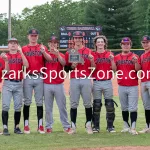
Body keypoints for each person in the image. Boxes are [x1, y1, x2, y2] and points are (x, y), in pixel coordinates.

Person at [64, 31, 95, 134]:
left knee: (87, 103)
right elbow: (66, 69)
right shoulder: (70, 52)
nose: (77, 39)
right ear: (73, 39)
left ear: (82, 39)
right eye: (76, 38)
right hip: (74, 79)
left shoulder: (88, 51)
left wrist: (91, 60)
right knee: (73, 103)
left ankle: (88, 125)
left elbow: (92, 69)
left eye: (79, 38)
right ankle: (73, 126)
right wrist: (72, 66)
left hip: (86, 78)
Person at [22, 29, 51, 134]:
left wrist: (44, 52)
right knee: (27, 101)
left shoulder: (42, 47)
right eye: (31, 35)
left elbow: (50, 59)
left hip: (39, 76)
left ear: (37, 37)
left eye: (35, 35)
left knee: (39, 102)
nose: (33, 37)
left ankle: (40, 125)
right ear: (28, 36)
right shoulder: (24, 48)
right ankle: (26, 125)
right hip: (28, 77)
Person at [113, 37, 141, 135]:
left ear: (130, 45)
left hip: (133, 85)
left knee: (133, 108)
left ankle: (133, 128)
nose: (126, 45)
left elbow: (138, 70)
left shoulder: (135, 56)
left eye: (127, 44)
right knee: (124, 107)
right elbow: (114, 70)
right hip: (121, 85)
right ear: (121, 45)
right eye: (124, 44)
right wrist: (112, 61)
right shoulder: (116, 57)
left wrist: (136, 62)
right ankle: (126, 126)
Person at [1, 38, 29, 135]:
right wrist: (6, 61)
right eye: (11, 43)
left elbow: (27, 65)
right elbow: (6, 72)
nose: (13, 45)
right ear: (8, 45)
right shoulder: (5, 56)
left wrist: (21, 53)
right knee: (5, 106)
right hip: (8, 83)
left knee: (18, 106)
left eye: (15, 43)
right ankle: (5, 127)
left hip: (18, 83)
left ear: (17, 45)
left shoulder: (20, 55)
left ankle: (16, 127)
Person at [44, 35, 71, 133]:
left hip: (59, 83)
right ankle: (48, 126)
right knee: (48, 107)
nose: (52, 44)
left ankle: (66, 125)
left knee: (62, 106)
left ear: (57, 44)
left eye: (55, 42)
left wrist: (57, 54)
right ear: (48, 44)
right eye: (51, 42)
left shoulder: (61, 55)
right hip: (47, 83)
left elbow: (64, 64)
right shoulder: (44, 54)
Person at [92, 35, 117, 133]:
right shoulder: (92, 54)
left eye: (102, 42)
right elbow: (92, 68)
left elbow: (114, 70)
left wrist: (112, 60)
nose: (100, 43)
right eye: (98, 42)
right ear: (95, 44)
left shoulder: (109, 54)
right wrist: (91, 60)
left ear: (105, 43)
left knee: (109, 104)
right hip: (96, 81)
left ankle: (110, 126)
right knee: (96, 105)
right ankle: (96, 126)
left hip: (107, 81)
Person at [139, 35, 150, 133]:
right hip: (143, 81)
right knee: (146, 105)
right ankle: (148, 126)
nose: (145, 44)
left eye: (147, 42)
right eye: (144, 42)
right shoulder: (142, 56)